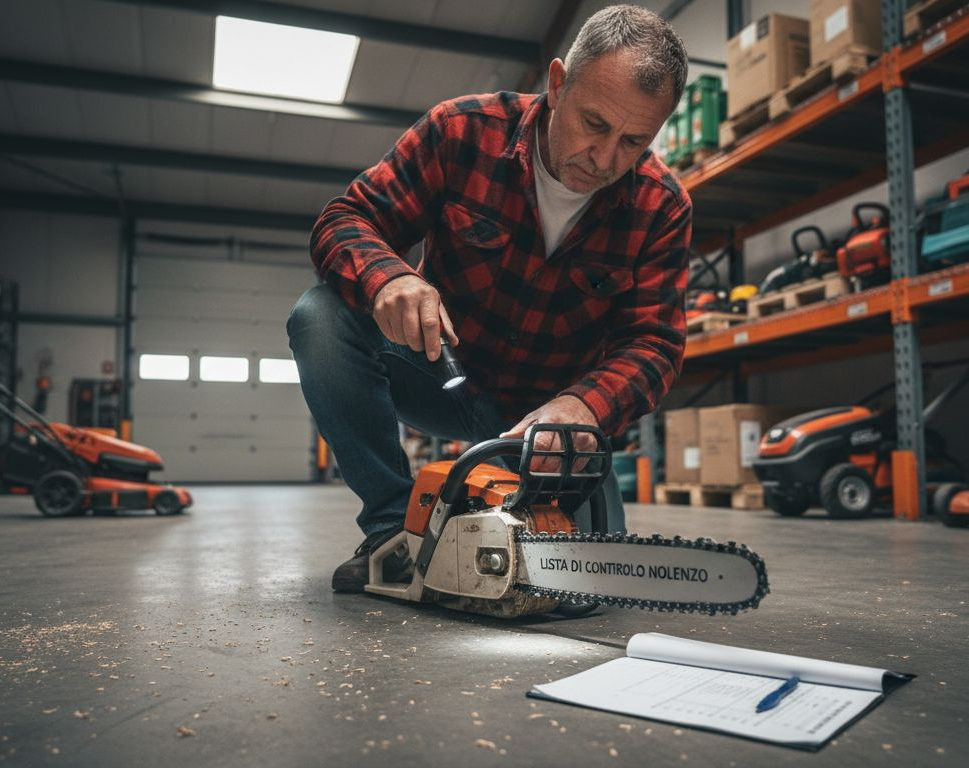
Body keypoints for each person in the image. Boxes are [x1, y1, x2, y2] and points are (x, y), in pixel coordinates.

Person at [287, 5, 693, 592]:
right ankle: (391, 529)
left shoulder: (662, 207)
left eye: (635, 141)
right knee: (319, 318)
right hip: (440, 372)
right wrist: (388, 279)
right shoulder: (461, 132)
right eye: (594, 124)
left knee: (582, 582)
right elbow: (344, 219)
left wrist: (584, 409)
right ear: (557, 84)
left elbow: (654, 344)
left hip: (550, 425)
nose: (605, 159)